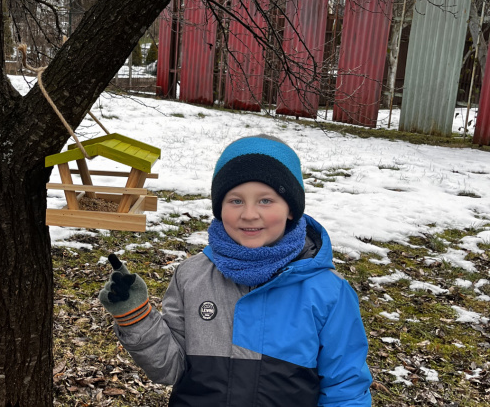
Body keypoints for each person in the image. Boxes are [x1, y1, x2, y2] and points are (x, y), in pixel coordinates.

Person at [99, 135, 372, 406]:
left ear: (291, 209)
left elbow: (345, 387)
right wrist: (136, 318)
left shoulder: (328, 293)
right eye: (236, 201)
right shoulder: (191, 277)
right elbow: (170, 369)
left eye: (266, 200)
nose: (250, 214)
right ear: (219, 208)